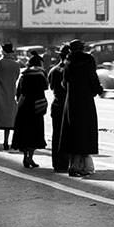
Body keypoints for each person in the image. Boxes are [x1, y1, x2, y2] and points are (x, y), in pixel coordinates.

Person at [58, 39, 103, 177]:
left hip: (71, 101)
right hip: (85, 101)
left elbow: (64, 83)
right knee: (85, 130)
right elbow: (93, 77)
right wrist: (97, 90)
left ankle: (74, 164)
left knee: (72, 131)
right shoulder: (88, 60)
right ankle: (81, 166)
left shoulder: (68, 61)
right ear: (82, 48)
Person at [12, 53, 49, 168]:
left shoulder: (24, 74)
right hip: (36, 105)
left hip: (24, 105)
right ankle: (30, 157)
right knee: (34, 132)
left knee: (24, 131)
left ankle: (25, 157)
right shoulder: (41, 74)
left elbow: (18, 91)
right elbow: (45, 87)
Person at [47, 44, 71, 173]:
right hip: (67, 105)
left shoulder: (53, 70)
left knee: (56, 134)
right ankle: (66, 162)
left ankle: (57, 163)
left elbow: (51, 87)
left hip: (56, 104)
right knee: (68, 134)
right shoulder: (69, 70)